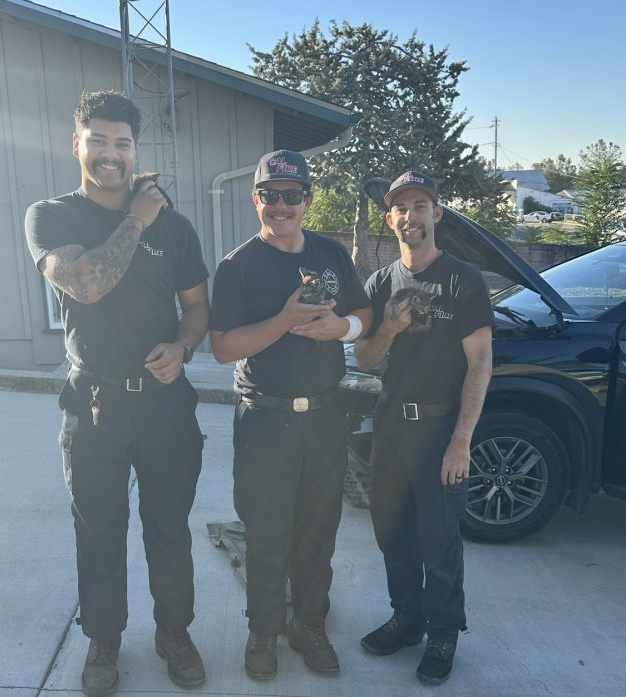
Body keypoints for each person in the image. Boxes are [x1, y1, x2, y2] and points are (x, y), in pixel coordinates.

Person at [24, 91, 209, 696]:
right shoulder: (51, 216)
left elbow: (196, 307)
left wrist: (182, 347)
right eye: (98, 140)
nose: (111, 154)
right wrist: (136, 219)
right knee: (99, 530)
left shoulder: (175, 228)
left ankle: (174, 632)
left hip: (164, 404)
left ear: (135, 150)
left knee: (169, 527)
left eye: (123, 143)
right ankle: (103, 639)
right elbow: (84, 284)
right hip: (94, 404)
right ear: (76, 144)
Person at [209, 149, 372, 680]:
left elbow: (363, 311)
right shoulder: (238, 266)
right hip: (265, 420)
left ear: (308, 200)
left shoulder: (331, 253)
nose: (280, 206)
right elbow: (223, 348)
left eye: (291, 196)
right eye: (269, 195)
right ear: (255, 198)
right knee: (266, 534)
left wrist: (343, 329)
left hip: (325, 416)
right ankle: (263, 633)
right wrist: (283, 320)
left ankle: (309, 626)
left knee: (319, 532)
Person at [355, 171, 493, 686]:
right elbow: (365, 359)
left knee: (438, 537)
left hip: (440, 426)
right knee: (391, 529)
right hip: (391, 420)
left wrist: (462, 440)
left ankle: (443, 633)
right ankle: (406, 618)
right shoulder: (380, 283)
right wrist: (390, 327)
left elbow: (480, 363)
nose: (410, 216)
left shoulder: (463, 279)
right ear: (389, 218)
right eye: (401, 208)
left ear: (436, 213)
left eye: (420, 206)